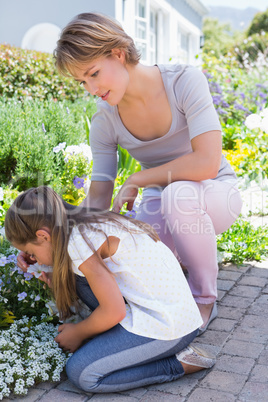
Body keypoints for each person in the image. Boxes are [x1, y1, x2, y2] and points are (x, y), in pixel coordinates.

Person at [18, 12, 243, 332]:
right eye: (82, 81)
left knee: (177, 195)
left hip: (216, 190)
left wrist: (138, 178)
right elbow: (98, 198)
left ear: (118, 53)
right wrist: (49, 246)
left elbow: (206, 161)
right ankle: (178, 276)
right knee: (141, 239)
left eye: (93, 73)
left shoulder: (184, 81)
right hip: (160, 201)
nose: (91, 88)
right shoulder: (106, 121)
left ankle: (203, 298)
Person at [5, 186, 215, 393]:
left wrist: (78, 332)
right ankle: (120, 344)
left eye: (30, 251)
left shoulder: (78, 243)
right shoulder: (79, 224)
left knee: (82, 373)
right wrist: (35, 257)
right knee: (74, 278)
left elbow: (115, 311)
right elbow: (63, 262)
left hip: (169, 326)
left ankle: (177, 363)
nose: (32, 257)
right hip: (167, 308)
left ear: (43, 235)